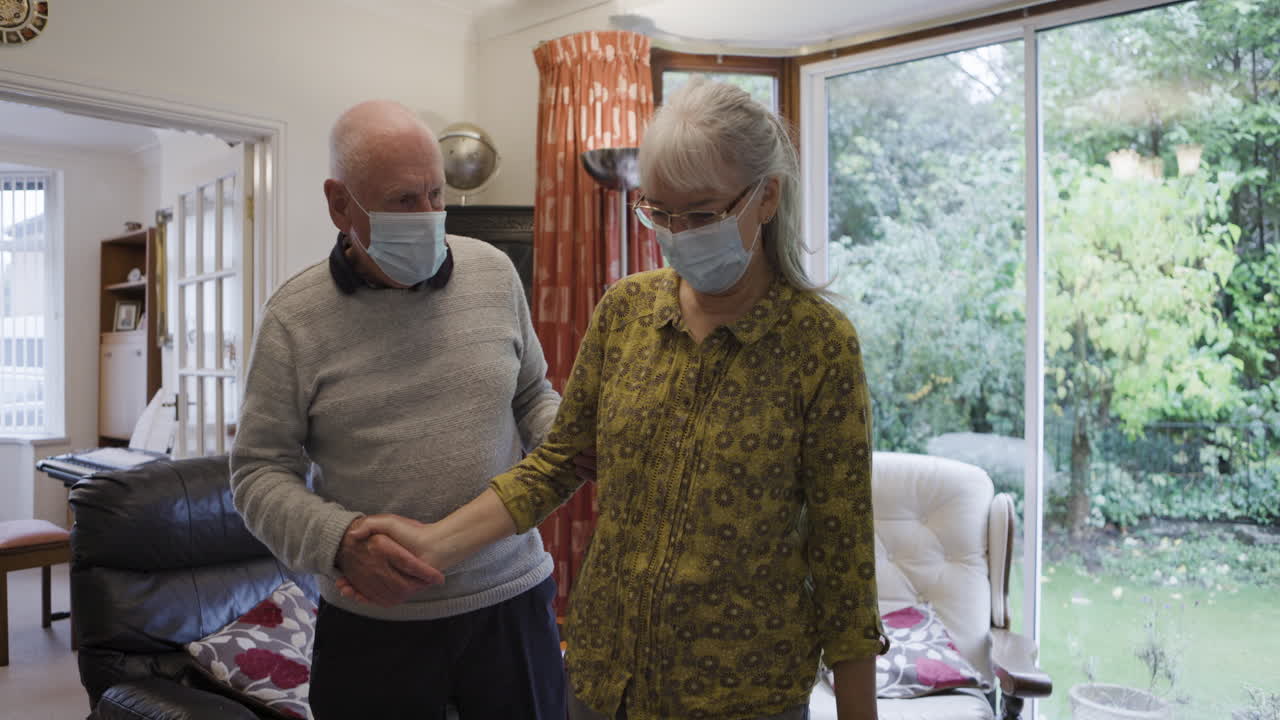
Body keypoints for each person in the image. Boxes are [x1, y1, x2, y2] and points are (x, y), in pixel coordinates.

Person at [346, 80, 888, 720]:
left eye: (703, 213)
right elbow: (554, 465)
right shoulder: (627, 311)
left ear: (766, 196)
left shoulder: (818, 346)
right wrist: (430, 546)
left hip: (743, 694)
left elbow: (843, 563)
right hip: (605, 678)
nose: (679, 235)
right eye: (660, 212)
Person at [230, 99, 570, 720]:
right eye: (403, 201)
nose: (428, 217)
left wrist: (572, 444)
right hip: (373, 625)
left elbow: (531, 395)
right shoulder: (292, 320)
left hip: (510, 603)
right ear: (340, 205)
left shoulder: (494, 273)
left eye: (436, 195)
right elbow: (256, 473)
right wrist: (338, 542)